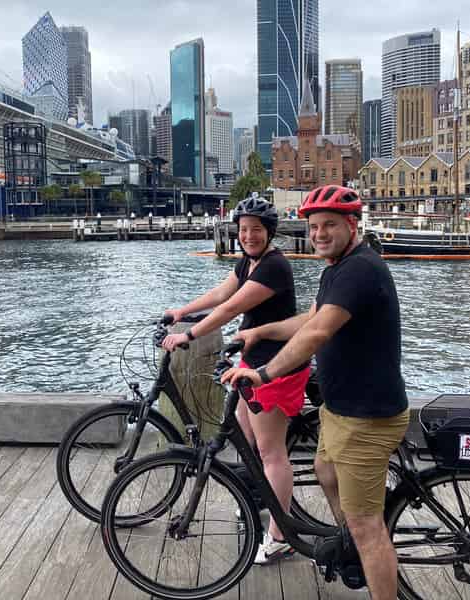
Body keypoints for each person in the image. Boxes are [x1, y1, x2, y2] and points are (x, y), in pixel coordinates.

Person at [221, 185, 409, 600]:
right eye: (314, 226)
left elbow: (319, 333)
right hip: (342, 410)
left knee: (368, 527)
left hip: (367, 416)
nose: (320, 233)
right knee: (324, 472)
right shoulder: (337, 269)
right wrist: (258, 332)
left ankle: (366, 556)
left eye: (329, 225)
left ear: (352, 224)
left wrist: (264, 373)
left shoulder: (359, 270)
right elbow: (309, 319)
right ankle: (352, 547)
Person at [161, 193, 310, 565]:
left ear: (269, 232)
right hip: (251, 361)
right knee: (249, 439)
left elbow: (230, 309)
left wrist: (188, 335)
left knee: (271, 452)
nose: (248, 236)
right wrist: (183, 310)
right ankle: (262, 499)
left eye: (256, 230)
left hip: (274, 366)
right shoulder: (250, 262)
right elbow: (220, 293)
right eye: (243, 230)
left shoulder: (274, 267)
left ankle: (281, 536)